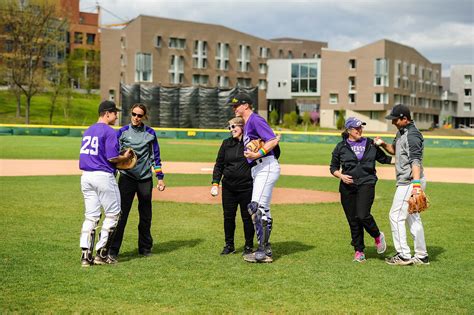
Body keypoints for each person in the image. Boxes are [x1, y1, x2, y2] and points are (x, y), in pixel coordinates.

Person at [330, 117, 392, 262]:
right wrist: (341, 176)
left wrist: (406, 162)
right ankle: (359, 250)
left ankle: (377, 235)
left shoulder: (370, 143)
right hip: (347, 187)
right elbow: (333, 168)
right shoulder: (341, 146)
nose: (360, 130)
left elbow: (385, 159)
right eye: (356, 128)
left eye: (361, 127)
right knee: (353, 220)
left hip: (367, 183)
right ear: (349, 130)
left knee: (363, 215)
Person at [79, 100, 132, 267]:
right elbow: (112, 158)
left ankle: (85, 256)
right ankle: (101, 255)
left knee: (91, 216)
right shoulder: (109, 131)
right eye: (115, 113)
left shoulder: (88, 130)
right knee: (113, 214)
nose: (117, 116)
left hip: (86, 177)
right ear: (106, 113)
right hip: (103, 176)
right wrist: (126, 157)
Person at [109, 103, 166, 259]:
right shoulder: (122, 132)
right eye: (134, 114)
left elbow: (156, 157)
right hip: (127, 178)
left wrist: (160, 178)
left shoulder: (150, 133)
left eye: (140, 115)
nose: (136, 117)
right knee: (121, 215)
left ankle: (145, 248)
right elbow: (114, 156)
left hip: (145, 179)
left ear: (144, 117)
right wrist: (113, 174)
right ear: (130, 114)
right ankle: (113, 250)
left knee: (146, 215)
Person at [230, 92, 280, 263]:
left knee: (255, 207)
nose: (234, 108)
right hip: (259, 169)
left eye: (236, 105)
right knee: (263, 209)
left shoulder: (255, 119)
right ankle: (265, 248)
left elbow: (272, 140)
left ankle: (262, 250)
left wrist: (257, 152)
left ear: (246, 105)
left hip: (265, 166)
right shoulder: (248, 123)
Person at [376, 104, 430, 266]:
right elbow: (394, 151)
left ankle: (404, 255)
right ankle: (421, 255)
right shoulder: (401, 132)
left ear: (404, 119)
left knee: (396, 216)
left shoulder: (413, 135)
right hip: (410, 181)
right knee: (412, 218)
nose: (393, 122)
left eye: (395, 120)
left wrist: (416, 186)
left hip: (410, 182)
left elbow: (416, 161)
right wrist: (383, 144)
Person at [211, 117, 255, 256]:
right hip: (228, 187)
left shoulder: (250, 144)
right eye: (230, 127)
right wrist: (215, 183)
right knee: (228, 217)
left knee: (247, 218)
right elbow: (219, 165)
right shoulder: (226, 143)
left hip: (246, 187)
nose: (231, 130)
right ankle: (229, 245)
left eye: (234, 127)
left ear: (242, 127)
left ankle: (248, 246)